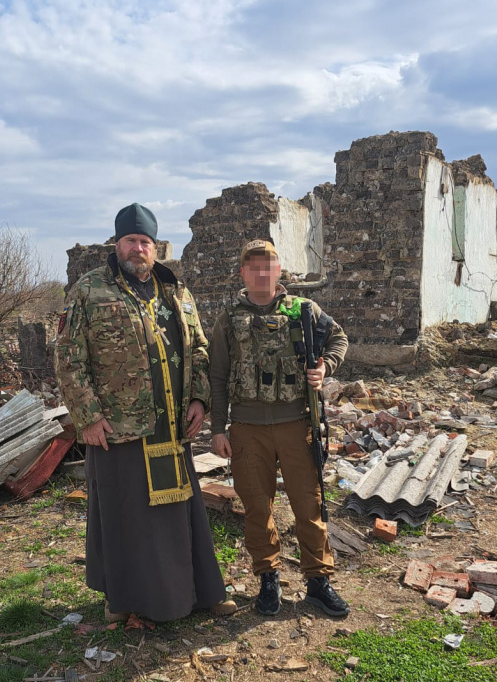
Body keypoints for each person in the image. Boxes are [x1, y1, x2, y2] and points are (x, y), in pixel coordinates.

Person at [55, 203, 236, 623]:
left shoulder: (176, 292)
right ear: (116, 244)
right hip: (118, 428)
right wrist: (88, 417)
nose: (139, 249)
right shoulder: (89, 290)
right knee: (124, 516)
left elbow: (200, 350)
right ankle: (122, 600)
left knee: (180, 514)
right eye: (131, 241)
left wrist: (199, 400)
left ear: (155, 248)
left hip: (172, 427)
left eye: (146, 242)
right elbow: (68, 359)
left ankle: (198, 592)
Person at [210, 239, 350, 617]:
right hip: (246, 427)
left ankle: (318, 580)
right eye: (253, 266)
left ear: (278, 271)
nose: (260, 272)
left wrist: (325, 368)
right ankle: (268, 578)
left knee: (309, 503)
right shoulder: (228, 317)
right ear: (243, 272)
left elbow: (338, 339)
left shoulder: (303, 310)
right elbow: (219, 375)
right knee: (257, 506)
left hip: (296, 423)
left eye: (267, 265)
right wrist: (218, 429)